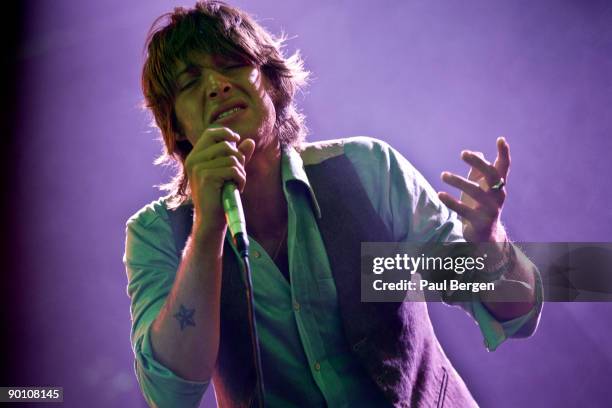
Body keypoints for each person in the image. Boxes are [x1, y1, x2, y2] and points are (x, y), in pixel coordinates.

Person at [124, 1, 543, 407]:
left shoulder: (366, 169)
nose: (216, 85)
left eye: (232, 64)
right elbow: (169, 393)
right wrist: (207, 230)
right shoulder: (154, 234)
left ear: (270, 81)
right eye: (190, 82)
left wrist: (491, 247)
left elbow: (516, 312)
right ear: (175, 125)